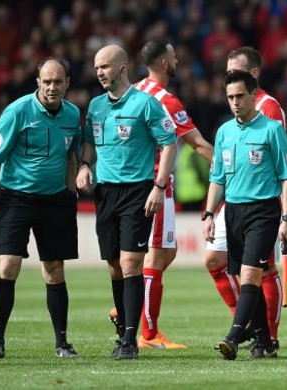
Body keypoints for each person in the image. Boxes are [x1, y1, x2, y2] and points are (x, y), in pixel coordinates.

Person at [107, 39, 213, 351]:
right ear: (165, 64)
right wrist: (228, 167)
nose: (178, 58)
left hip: (130, 182)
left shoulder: (133, 91)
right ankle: (149, 333)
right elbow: (198, 144)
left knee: (166, 251)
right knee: (155, 253)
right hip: (155, 183)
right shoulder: (166, 100)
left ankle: (126, 305)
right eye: (174, 55)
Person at [0, 58, 81, 359]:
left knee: (55, 271)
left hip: (56, 201)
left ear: (67, 84)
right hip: (16, 199)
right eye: (46, 81)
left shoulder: (73, 115)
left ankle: (62, 343)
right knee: (8, 266)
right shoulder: (17, 111)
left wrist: (72, 193)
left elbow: (72, 155)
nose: (51, 87)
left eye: (57, 82)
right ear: (38, 82)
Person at [76, 44, 177, 360]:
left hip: (138, 191)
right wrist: (83, 166)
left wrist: (159, 186)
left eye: (104, 66)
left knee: (132, 262)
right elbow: (89, 145)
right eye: (96, 68)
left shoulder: (146, 104)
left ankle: (131, 340)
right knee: (114, 266)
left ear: (122, 67)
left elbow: (170, 143)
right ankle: (124, 333)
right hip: (105, 192)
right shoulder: (96, 107)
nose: (99, 73)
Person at [203, 70, 287, 360]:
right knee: (245, 276)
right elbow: (217, 177)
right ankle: (265, 342)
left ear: (254, 95)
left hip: (263, 211)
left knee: (250, 274)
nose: (235, 102)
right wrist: (208, 214)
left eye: (240, 96)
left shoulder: (271, 130)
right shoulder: (223, 132)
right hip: (232, 212)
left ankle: (233, 335)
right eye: (230, 97)